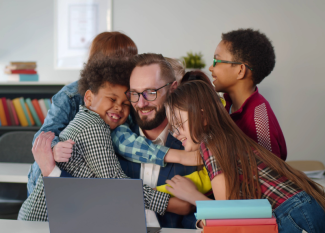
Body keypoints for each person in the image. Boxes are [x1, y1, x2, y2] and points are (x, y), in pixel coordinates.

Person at [27, 32, 198, 196]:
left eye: (130, 59)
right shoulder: (70, 96)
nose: (125, 66)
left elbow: (123, 140)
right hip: (49, 181)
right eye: (118, 60)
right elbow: (42, 138)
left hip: (87, 183)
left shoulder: (129, 96)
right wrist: (54, 148)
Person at [18, 55, 172, 221]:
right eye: (112, 99)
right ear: (89, 98)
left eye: (126, 104)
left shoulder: (93, 122)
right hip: (42, 221)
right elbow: (115, 183)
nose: (119, 107)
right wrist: (169, 203)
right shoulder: (93, 127)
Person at [163, 80, 325, 233]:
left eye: (178, 124)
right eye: (172, 128)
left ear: (203, 117)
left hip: (292, 213)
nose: (176, 134)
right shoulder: (224, 137)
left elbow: (226, 212)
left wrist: (191, 195)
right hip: (301, 208)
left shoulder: (210, 143)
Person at [115, 53, 198, 229]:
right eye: (134, 94)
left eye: (150, 92)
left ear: (173, 88)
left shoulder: (192, 143)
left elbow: (196, 216)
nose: (141, 103)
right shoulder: (113, 139)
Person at [209, 28, 287, 160]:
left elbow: (271, 176)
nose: (211, 67)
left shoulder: (259, 121)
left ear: (240, 70)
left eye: (216, 61)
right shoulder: (225, 104)